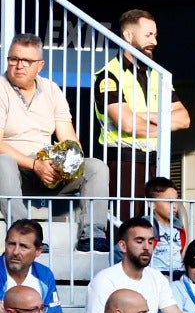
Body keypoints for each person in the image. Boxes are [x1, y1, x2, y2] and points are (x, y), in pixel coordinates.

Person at [0, 33, 112, 247]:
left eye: (27, 61)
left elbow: (70, 141)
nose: (19, 66)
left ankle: (93, 234)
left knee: (95, 167)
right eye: (14, 59)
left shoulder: (51, 89)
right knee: (3, 161)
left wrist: (63, 167)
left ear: (40, 65)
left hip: (48, 167)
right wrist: (35, 164)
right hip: (14, 172)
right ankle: (23, 235)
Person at [93, 9, 190, 214]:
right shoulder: (109, 75)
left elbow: (184, 119)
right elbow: (127, 124)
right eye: (148, 35)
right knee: (128, 230)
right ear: (128, 36)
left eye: (155, 35)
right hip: (125, 163)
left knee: (154, 232)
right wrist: (164, 125)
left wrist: (145, 117)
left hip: (156, 163)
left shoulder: (158, 75)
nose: (154, 41)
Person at [4, 220, 62, 313]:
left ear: (38, 251)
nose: (15, 252)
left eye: (23, 247)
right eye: (11, 244)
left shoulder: (45, 275)